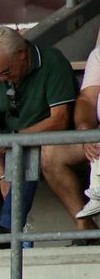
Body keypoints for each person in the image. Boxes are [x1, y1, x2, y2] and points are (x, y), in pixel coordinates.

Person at [0, 25, 75, 234]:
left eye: (5, 72)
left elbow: (60, 120)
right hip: (7, 139)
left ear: (21, 54)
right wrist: (2, 175)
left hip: (42, 140)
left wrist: (13, 140)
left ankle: (8, 228)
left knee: (25, 151)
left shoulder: (52, 61)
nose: (1, 79)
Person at [43, 26, 100, 229]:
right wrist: (86, 131)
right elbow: (86, 100)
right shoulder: (98, 55)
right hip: (98, 133)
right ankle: (85, 228)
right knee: (51, 153)